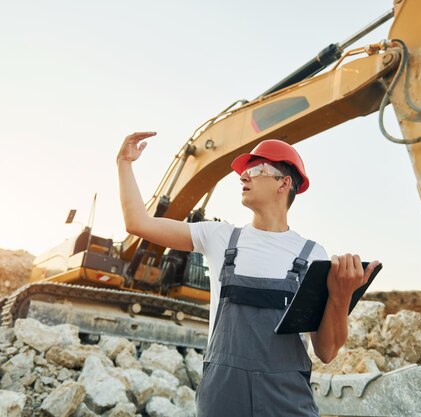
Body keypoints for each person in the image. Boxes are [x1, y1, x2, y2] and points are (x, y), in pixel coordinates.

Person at [117, 131, 379, 417]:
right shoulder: (219, 237)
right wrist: (124, 164)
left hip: (287, 400)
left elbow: (327, 352)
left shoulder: (312, 255)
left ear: (284, 182)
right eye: (244, 172)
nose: (244, 177)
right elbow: (138, 223)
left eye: (256, 170)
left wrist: (341, 296)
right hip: (223, 398)